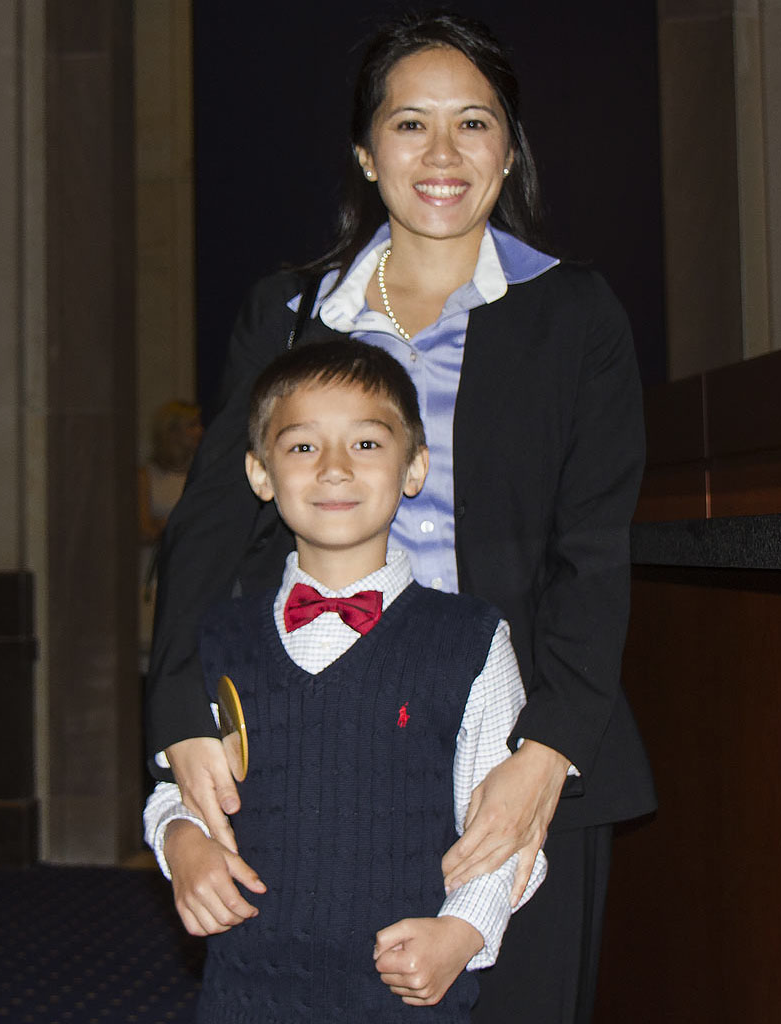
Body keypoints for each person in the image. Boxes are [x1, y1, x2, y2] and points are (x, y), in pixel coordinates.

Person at [145, 12, 656, 1022]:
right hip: (311, 744)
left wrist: (541, 753)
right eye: (409, 123)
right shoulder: (291, 314)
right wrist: (180, 718)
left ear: (507, 151)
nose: (441, 153)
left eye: (473, 123)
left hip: (514, 742)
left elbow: (594, 554)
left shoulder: (574, 314)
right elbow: (208, 529)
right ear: (365, 153)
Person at [145, 340, 547, 1021]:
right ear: (260, 472)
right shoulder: (215, 639)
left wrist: (462, 934)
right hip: (246, 988)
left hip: (405, 994)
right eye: (302, 448)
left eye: (366, 443)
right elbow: (174, 787)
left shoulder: (472, 640)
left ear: (415, 467)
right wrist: (179, 841)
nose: (333, 469)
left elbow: (502, 831)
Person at [138, 400, 203, 668]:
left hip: (193, 570)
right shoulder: (147, 476)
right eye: (191, 426)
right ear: (171, 432)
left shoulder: (201, 476)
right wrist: (175, 524)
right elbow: (144, 530)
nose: (200, 431)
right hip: (155, 572)